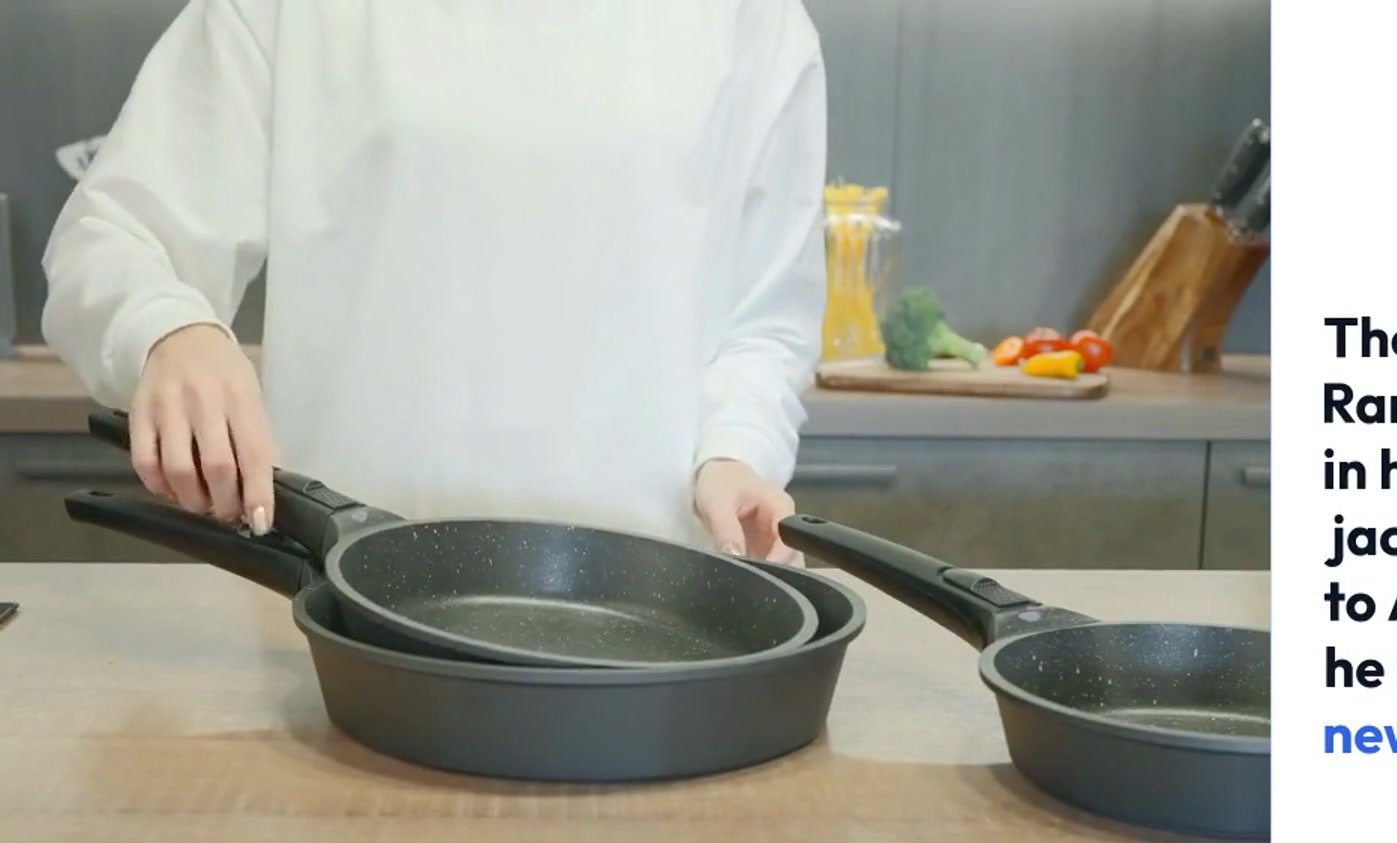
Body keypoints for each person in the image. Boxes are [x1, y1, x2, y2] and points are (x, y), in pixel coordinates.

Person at [41, 0, 827, 562]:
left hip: (657, 609)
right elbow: (112, 234)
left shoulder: (753, 21)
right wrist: (169, 330)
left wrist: (738, 447)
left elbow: (766, 321)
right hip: (338, 596)